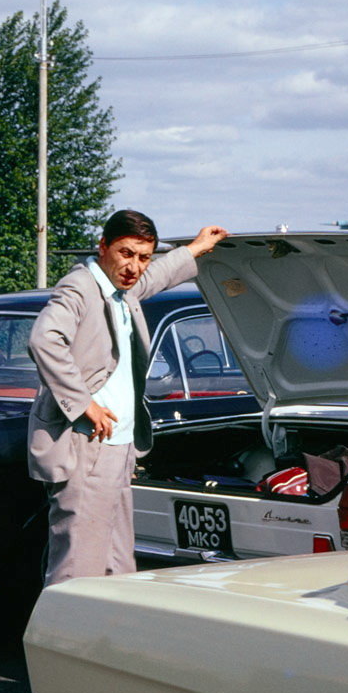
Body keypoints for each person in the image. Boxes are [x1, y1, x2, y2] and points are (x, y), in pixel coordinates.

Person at [28, 210, 229, 585]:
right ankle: (62, 641)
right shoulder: (81, 286)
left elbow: (155, 278)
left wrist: (195, 249)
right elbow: (44, 339)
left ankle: (104, 641)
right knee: (78, 567)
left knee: (117, 567)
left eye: (143, 256)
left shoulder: (120, 287)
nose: (134, 266)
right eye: (125, 253)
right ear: (103, 247)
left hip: (119, 446)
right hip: (85, 445)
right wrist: (83, 402)